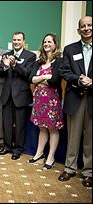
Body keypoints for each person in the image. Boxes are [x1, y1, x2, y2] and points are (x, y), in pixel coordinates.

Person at [58, 16, 92, 187]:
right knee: (73, 136)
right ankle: (70, 168)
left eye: (89, 25)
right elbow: (64, 70)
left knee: (90, 138)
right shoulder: (70, 49)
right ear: (79, 30)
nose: (86, 28)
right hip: (75, 96)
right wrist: (79, 80)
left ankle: (88, 172)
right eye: (83, 26)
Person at [0, 32, 36, 160]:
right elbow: (1, 73)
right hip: (7, 95)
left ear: (24, 41)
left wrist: (15, 65)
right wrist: (6, 67)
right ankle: (7, 146)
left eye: (19, 40)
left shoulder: (30, 56)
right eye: (14, 40)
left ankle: (18, 149)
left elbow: (27, 74)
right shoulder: (6, 55)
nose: (16, 42)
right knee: (6, 123)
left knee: (20, 125)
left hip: (21, 96)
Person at [28, 33, 64, 170]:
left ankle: (51, 157)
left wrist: (40, 77)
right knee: (41, 127)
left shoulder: (59, 61)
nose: (47, 44)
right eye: (45, 42)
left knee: (52, 128)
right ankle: (39, 154)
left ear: (55, 44)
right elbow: (31, 79)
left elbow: (54, 81)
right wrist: (46, 76)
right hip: (38, 98)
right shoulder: (39, 61)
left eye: (50, 41)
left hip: (52, 99)